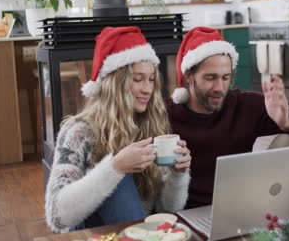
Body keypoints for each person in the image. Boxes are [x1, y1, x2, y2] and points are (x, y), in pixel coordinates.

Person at [45, 27, 191, 233]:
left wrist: (178, 175)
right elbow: (57, 217)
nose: (147, 89)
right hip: (93, 234)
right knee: (117, 177)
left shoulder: (151, 125)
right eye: (138, 79)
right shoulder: (79, 132)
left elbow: (167, 210)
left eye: (151, 80)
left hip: (140, 231)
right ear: (115, 82)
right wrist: (115, 167)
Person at [166, 27, 289, 208]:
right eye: (210, 77)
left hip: (240, 208)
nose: (219, 87)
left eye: (226, 77)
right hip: (187, 213)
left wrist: (288, 122)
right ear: (189, 76)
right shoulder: (167, 114)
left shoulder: (245, 105)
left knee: (287, 138)